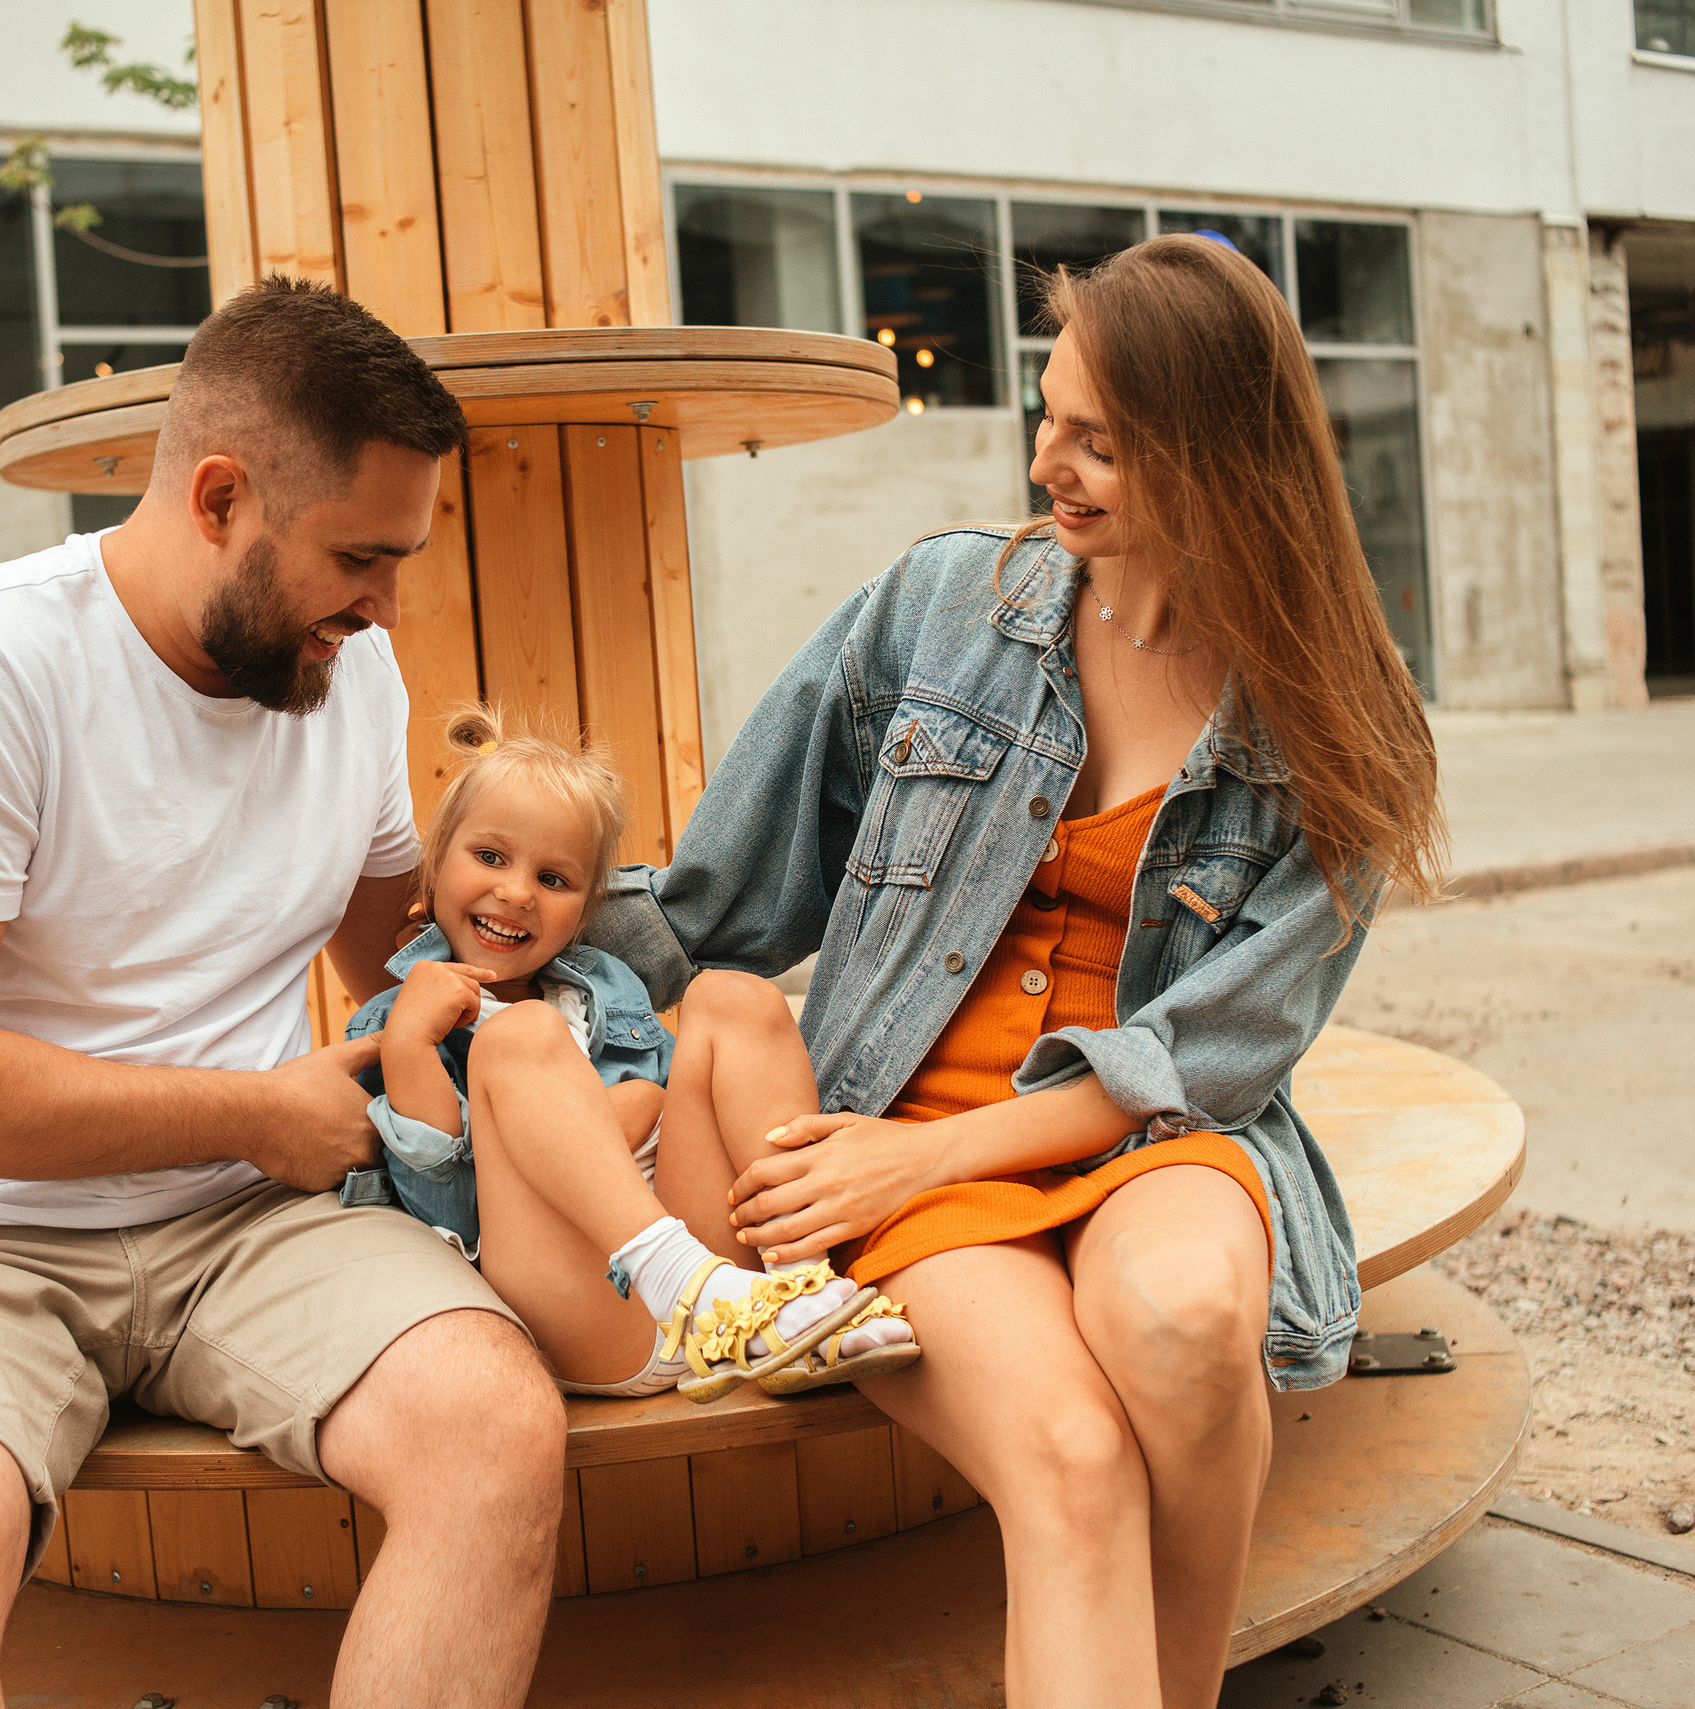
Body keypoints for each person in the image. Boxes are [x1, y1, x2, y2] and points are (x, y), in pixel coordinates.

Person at [586, 232, 1446, 1707]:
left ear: (1223, 456)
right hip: (900, 1124)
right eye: (1050, 417)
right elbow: (720, 899)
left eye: (1102, 442)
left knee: (1184, 1328)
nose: (1051, 463)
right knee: (1070, 1460)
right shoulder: (939, 611)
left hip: (1151, 1133)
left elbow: (1211, 1057)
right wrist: (483, 943)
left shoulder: (1339, 719)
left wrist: (908, 1173)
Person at [0, 277, 564, 1709]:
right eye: (359, 557)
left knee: (494, 1428)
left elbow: (398, 950)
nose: (390, 607)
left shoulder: (357, 671)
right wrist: (252, 1112)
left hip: (250, 1222)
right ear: (219, 497)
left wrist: (595, 1026)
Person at [338, 704, 917, 1403]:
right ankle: (693, 1283)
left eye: (554, 880)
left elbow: (683, 1118)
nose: (517, 892)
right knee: (518, 1035)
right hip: (582, 1314)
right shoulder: (400, 1025)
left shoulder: (606, 992)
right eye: (490, 857)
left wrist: (648, 1106)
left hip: (714, 1292)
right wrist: (408, 1043)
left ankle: (799, 1292)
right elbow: (454, 1216)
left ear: (584, 912)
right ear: (432, 874)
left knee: (733, 996)